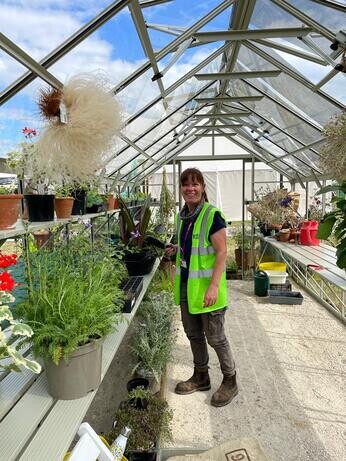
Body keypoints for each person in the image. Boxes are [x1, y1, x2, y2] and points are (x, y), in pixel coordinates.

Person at [165, 168, 237, 407]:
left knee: (215, 337)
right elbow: (191, 249)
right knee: (194, 334)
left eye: (195, 184)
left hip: (208, 290)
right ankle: (201, 376)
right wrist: (175, 250)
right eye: (185, 185)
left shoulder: (211, 215)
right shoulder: (182, 216)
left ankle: (230, 380)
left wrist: (214, 286)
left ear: (203, 187)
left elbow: (221, 252)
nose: (190, 189)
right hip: (188, 287)